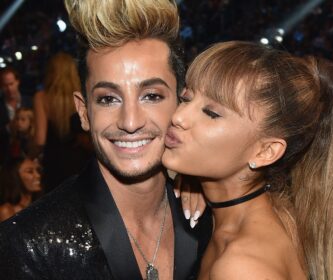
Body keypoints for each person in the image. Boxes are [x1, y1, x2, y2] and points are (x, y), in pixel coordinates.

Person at [0, 0, 210, 279]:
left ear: (181, 103)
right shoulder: (29, 243)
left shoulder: (211, 211)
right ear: (84, 112)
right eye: (108, 99)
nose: (130, 122)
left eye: (152, 95)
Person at [163, 41, 333, 280]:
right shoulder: (280, 211)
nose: (178, 116)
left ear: (266, 152)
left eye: (211, 113)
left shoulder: (241, 268)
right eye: (186, 97)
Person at [33, 52, 93, 192]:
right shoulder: (81, 97)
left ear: (50, 72)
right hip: (81, 159)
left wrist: (30, 155)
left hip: (54, 162)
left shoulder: (42, 98)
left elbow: (40, 140)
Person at [0, 67, 31, 164]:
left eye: (11, 84)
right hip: (4, 157)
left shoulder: (29, 102)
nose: (9, 89)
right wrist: (9, 127)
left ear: (17, 82)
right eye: (5, 85)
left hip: (28, 155)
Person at [0, 156, 42, 222]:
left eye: (38, 170)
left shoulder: (40, 204)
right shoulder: (7, 210)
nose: (38, 175)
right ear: (14, 176)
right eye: (30, 171)